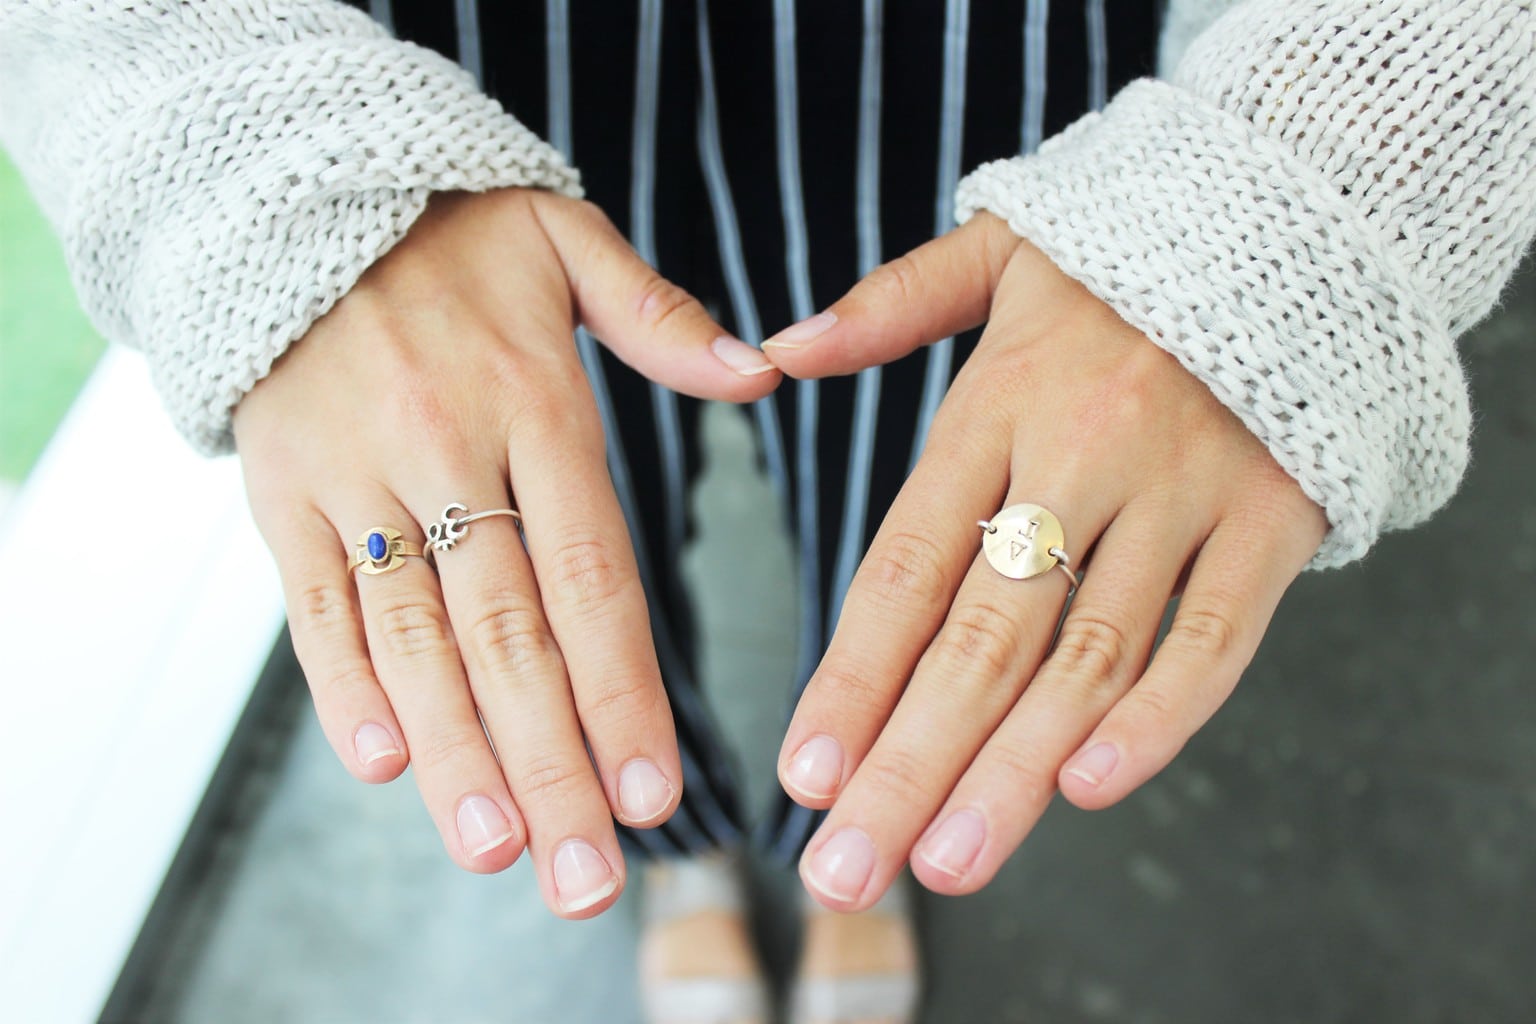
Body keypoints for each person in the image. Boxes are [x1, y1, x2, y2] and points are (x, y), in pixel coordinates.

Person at [3, 1, 1532, 1022]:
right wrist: (237, 137)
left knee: (929, 505)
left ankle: (828, 842)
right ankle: (679, 847)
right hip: (447, 47)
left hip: (951, 38)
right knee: (542, 549)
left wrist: (1318, 159)